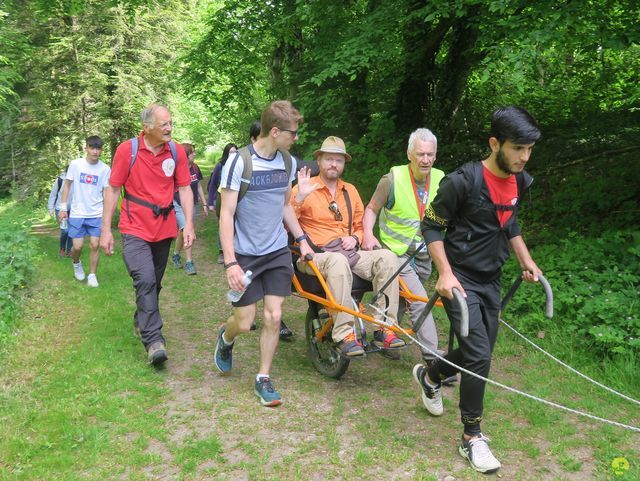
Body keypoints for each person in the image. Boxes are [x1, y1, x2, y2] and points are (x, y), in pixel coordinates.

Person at [415, 106, 542, 473]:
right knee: (480, 356)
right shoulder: (462, 181)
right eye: (518, 148)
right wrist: (443, 274)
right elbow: (432, 227)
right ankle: (472, 436)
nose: (524, 156)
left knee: (478, 350)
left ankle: (432, 375)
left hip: (491, 279)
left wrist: (526, 260)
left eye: (529, 149)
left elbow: (510, 222)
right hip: (458, 278)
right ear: (494, 143)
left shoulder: (519, 181)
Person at [213, 100, 313, 407]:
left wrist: (302, 238)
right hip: (245, 254)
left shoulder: (288, 163)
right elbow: (226, 215)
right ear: (274, 131)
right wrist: (230, 261)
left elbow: (285, 205)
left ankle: (263, 377)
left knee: (274, 315)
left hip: (276, 252)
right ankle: (226, 338)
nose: (296, 138)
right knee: (244, 322)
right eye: (292, 133)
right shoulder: (239, 163)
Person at [292, 136, 406, 357]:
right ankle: (344, 334)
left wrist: (355, 237)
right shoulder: (304, 188)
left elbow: (361, 225)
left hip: (349, 253)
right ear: (319, 160)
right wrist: (300, 198)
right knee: (337, 261)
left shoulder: (350, 191)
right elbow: (285, 221)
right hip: (314, 256)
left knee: (388, 258)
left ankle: (385, 329)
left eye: (339, 160)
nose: (334, 164)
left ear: (344, 163)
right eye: (329, 159)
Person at [100, 103, 195, 366]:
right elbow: (112, 189)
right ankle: (154, 341)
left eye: (170, 123)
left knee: (155, 282)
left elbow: (185, 189)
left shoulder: (176, 152)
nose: (169, 127)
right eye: (164, 123)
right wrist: (106, 229)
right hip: (134, 228)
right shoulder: (127, 150)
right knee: (145, 279)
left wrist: (188, 223)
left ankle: (142, 317)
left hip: (163, 230)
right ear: (147, 127)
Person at [362, 128, 446, 365]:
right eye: (420, 154)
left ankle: (384, 334)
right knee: (418, 299)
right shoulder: (392, 179)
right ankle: (433, 357)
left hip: (424, 253)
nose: (425, 159)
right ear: (409, 154)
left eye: (430, 154)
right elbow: (371, 209)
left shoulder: (441, 179)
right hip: (395, 253)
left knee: (399, 295)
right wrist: (368, 234)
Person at [58, 136, 110, 287]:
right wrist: (63, 208)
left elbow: (106, 192)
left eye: (98, 148)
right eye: (92, 148)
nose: (95, 151)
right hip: (78, 212)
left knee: (95, 245)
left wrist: (106, 213)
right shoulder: (76, 165)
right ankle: (76, 262)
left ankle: (92, 275)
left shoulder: (105, 169)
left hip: (96, 213)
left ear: (101, 150)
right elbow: (67, 186)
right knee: (77, 247)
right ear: (86, 148)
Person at [171, 143, 208, 275]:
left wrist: (204, 203)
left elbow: (198, 186)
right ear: (185, 155)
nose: (194, 154)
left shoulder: (195, 168)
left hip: (191, 204)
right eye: (192, 152)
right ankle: (189, 262)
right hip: (177, 203)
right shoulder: (176, 169)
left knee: (185, 231)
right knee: (184, 229)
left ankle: (175, 254)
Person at [207, 142, 238, 264]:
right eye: (230, 153)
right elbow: (213, 184)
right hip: (220, 198)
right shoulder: (220, 165)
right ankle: (222, 252)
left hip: (234, 199)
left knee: (235, 225)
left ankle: (234, 251)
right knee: (223, 224)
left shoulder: (239, 165)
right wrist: (210, 202)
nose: (232, 155)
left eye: (235, 153)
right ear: (226, 153)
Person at [47, 166, 73, 257]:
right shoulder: (60, 180)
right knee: (65, 230)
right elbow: (53, 195)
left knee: (72, 231)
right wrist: (50, 208)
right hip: (60, 208)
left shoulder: (77, 181)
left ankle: (69, 250)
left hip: (73, 209)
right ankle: (62, 248)